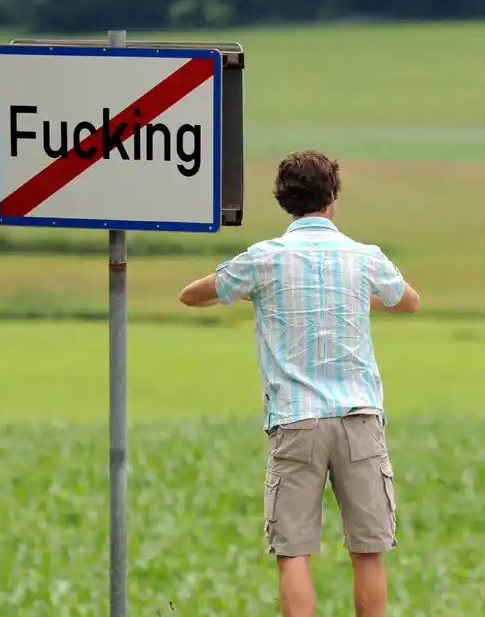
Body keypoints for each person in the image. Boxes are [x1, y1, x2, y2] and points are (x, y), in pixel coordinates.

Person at [178, 149, 421, 617]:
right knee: (368, 550)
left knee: (294, 552)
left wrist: (253, 294)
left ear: (284, 199)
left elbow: (193, 295)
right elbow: (408, 300)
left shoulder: (264, 259)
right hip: (359, 417)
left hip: (295, 420)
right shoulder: (363, 256)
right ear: (333, 197)